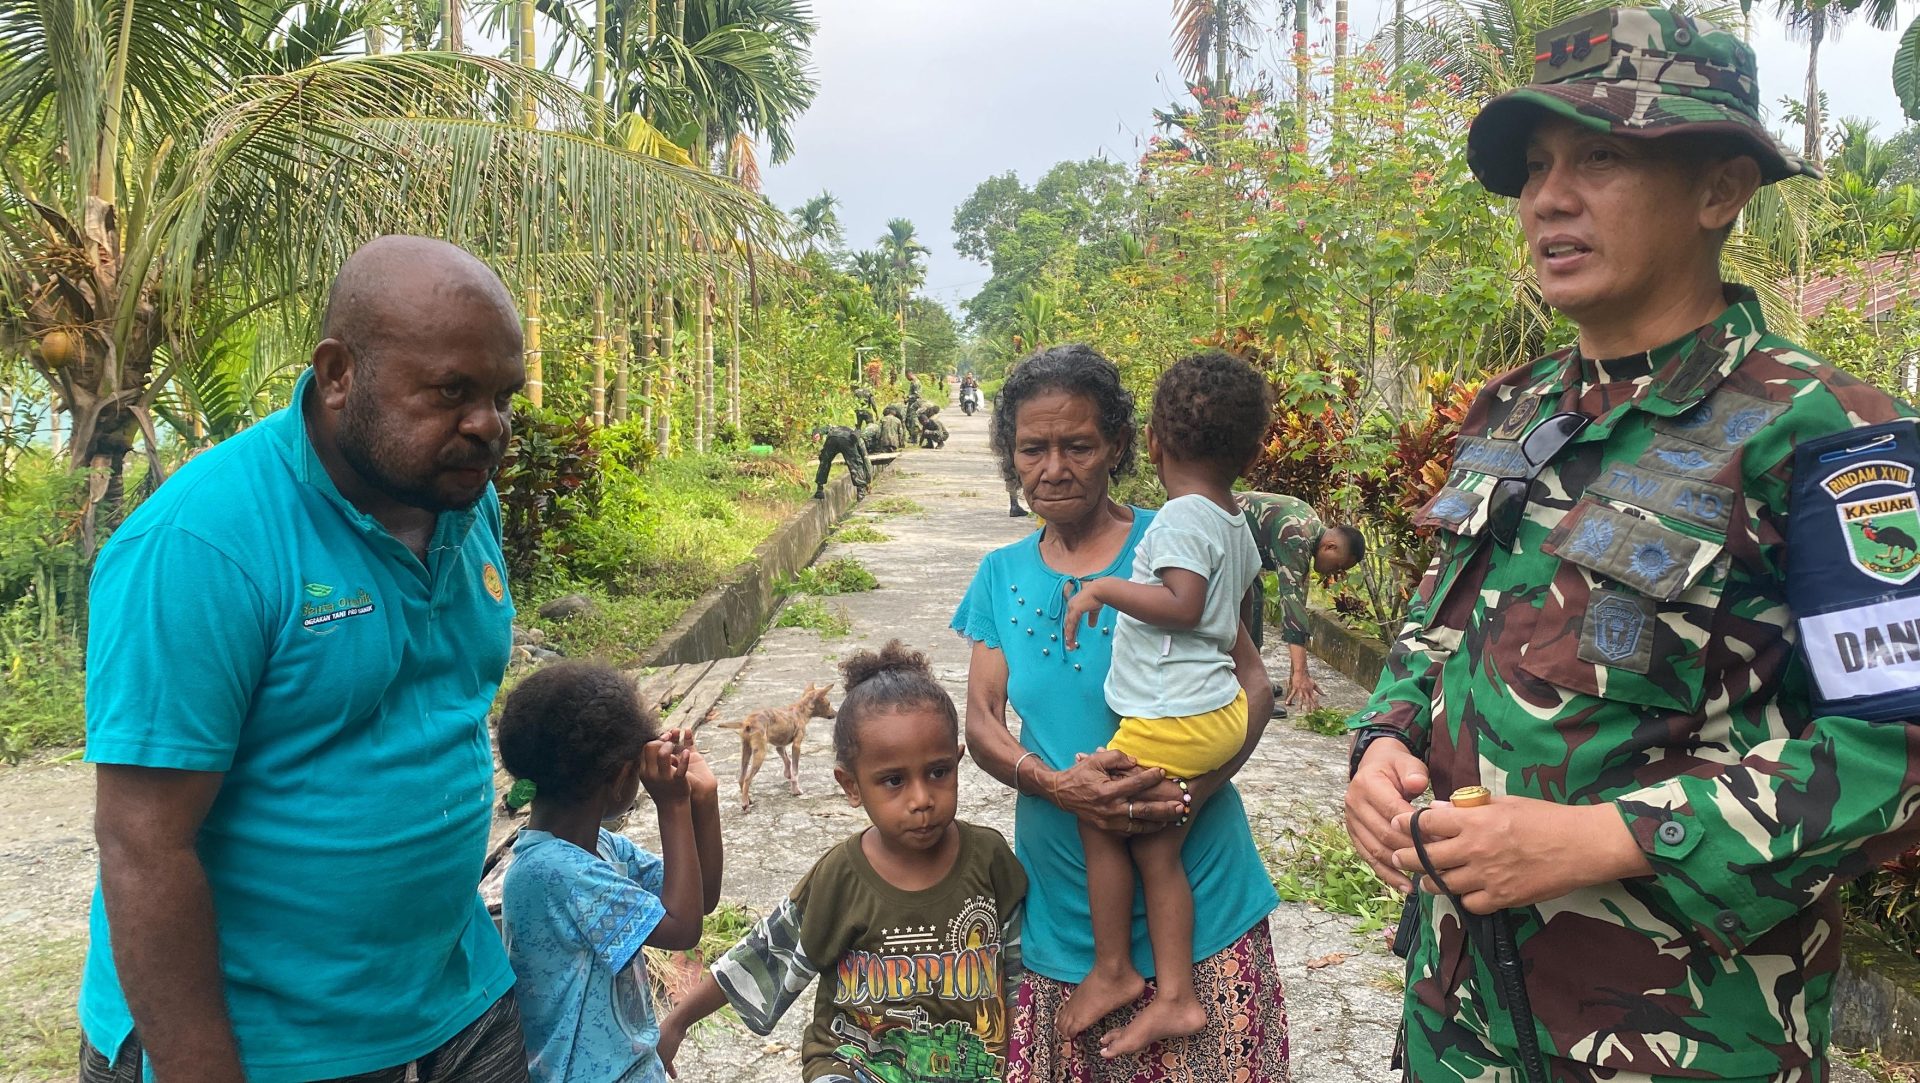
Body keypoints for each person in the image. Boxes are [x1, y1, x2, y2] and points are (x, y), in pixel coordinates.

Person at [1342, 10, 1920, 1081]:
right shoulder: (1510, 412)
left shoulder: (1825, 434)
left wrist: (1609, 838)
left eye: (1600, 156)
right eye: (1535, 166)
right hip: (1457, 1017)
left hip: (1679, 1042)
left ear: (1720, 191)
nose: (1547, 200)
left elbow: (1899, 746)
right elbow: (1435, 626)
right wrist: (1382, 742)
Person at [78, 236, 530, 1082]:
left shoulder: (462, 500)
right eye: (451, 392)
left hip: (455, 1002)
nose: (487, 425)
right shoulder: (205, 545)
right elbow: (142, 842)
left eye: (504, 396)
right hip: (266, 1044)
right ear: (337, 374)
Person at [953, 344, 1287, 1081]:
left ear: (1119, 447)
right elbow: (980, 721)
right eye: (1033, 449)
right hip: (1065, 916)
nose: (1054, 467)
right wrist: (1054, 782)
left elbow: (1254, 685)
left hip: (1204, 907)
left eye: (1078, 445)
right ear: (1012, 459)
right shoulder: (999, 576)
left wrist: (1189, 795)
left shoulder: (1170, 542)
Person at [656, 641, 1027, 1083]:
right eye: (893, 781)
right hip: (855, 1064)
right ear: (851, 787)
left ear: (958, 761)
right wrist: (677, 1022)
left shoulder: (989, 859)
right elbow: (763, 954)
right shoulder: (840, 876)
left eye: (938, 772)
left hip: (971, 1065)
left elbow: (1021, 973)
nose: (922, 799)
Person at [1053, 352, 1271, 1054]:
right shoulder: (1232, 521)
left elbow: (1183, 603)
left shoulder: (1180, 518)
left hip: (1180, 715)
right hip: (1214, 712)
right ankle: (1175, 993)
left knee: (1098, 809)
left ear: (1152, 441)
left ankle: (1119, 970)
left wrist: (1102, 588)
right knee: (1159, 849)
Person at [497, 663, 723, 1083]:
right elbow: (682, 928)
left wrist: (702, 800)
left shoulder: (599, 846)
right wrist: (672, 806)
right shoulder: (552, 871)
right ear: (621, 777)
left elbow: (701, 897)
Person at [1235, 492, 1366, 709]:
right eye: (1339, 566)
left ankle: (1252, 679)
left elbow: (1298, 611)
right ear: (1330, 547)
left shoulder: (1311, 528)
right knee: (1251, 600)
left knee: (1254, 596)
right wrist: (1299, 674)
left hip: (1234, 547)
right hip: (1204, 527)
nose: (1337, 572)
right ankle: (1246, 686)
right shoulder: (1297, 536)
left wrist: (1299, 672)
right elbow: (1291, 604)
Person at [810, 423, 871, 500]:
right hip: (847, 441)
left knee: (824, 462)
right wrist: (868, 481)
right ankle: (861, 492)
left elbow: (824, 428)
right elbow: (866, 459)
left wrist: (817, 433)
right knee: (855, 465)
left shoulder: (835, 427)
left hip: (832, 438)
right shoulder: (858, 437)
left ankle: (819, 489)